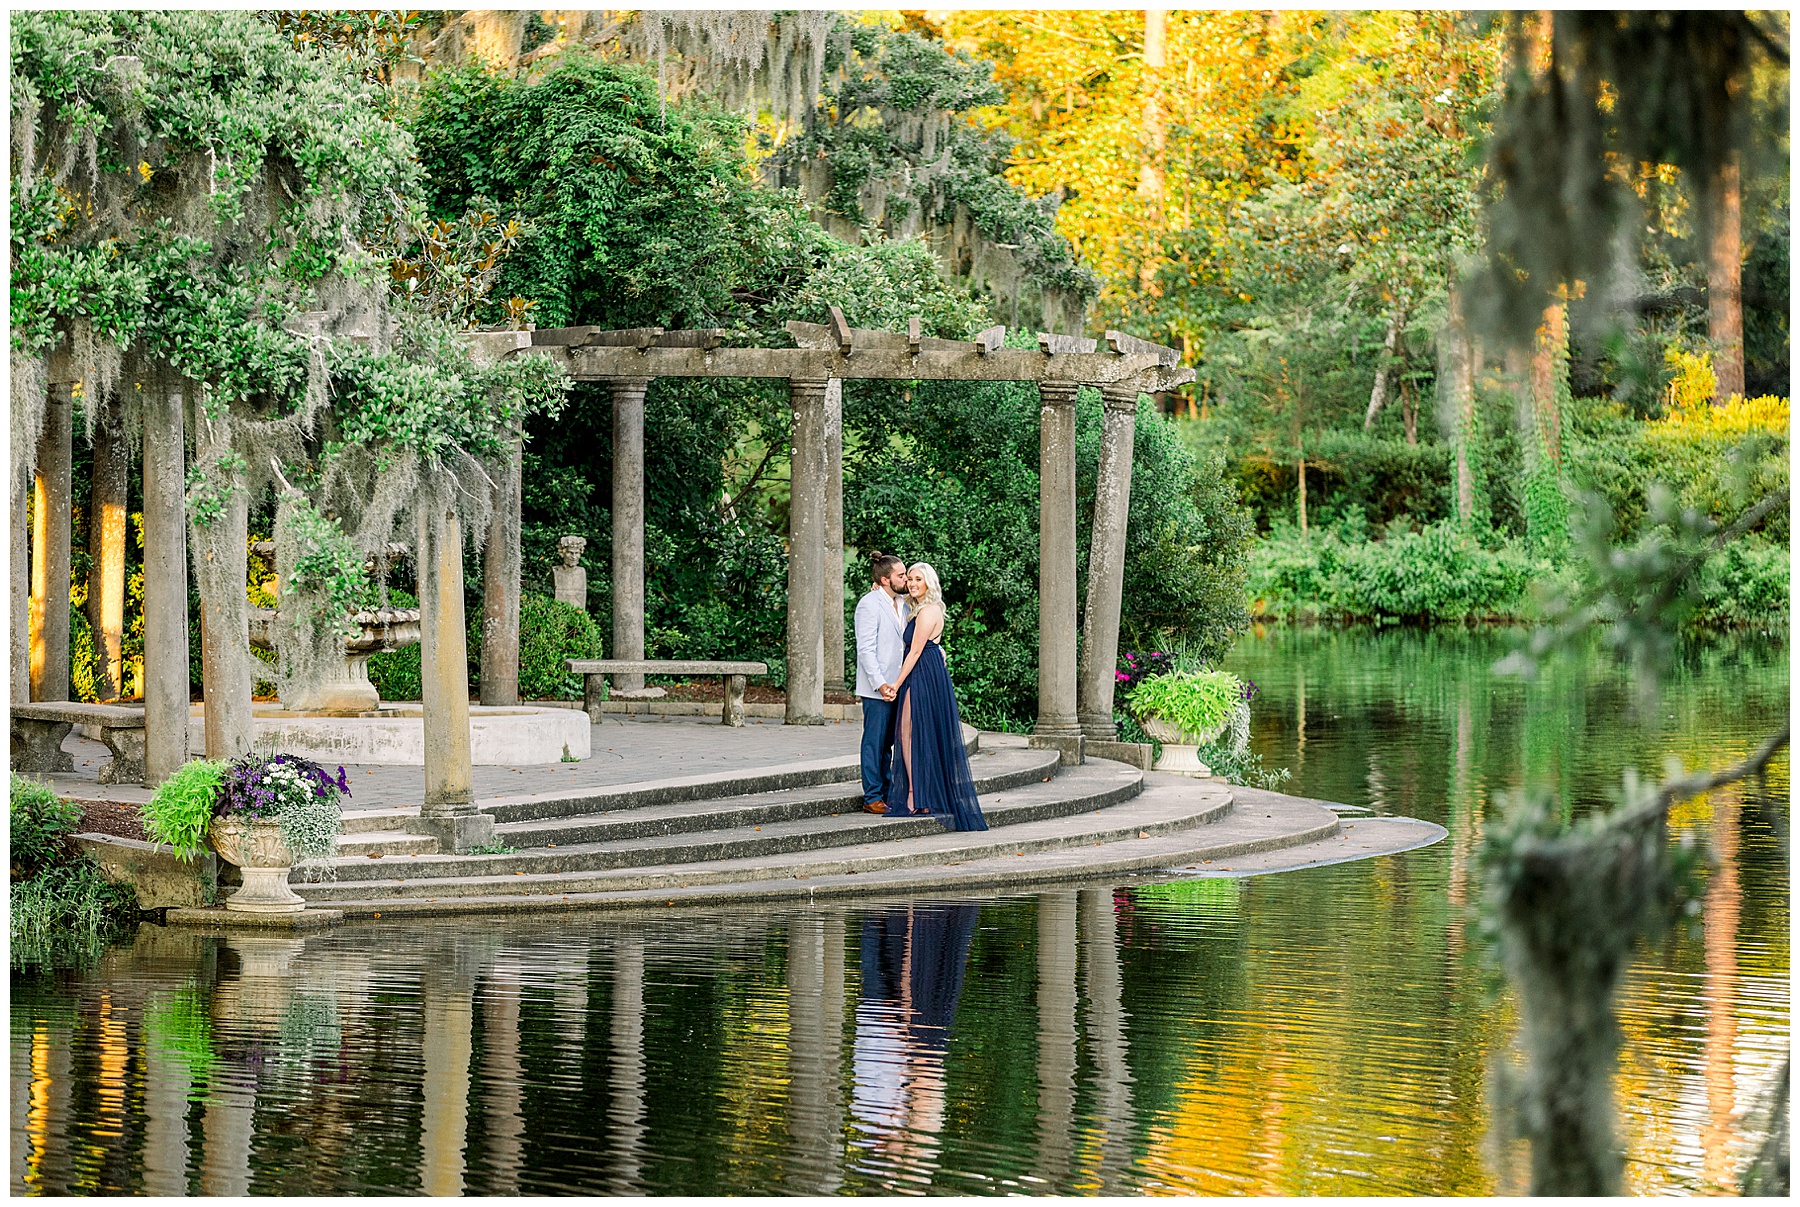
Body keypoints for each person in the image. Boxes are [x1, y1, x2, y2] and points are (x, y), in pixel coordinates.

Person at [885, 563, 988, 831]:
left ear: (929, 582)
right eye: (909, 579)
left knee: (910, 733)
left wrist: (896, 683)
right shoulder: (919, 609)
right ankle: (920, 793)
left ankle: (915, 795)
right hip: (925, 671)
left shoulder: (928, 611)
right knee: (915, 733)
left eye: (918, 579)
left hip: (921, 674)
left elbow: (916, 651)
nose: (912, 583)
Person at [853, 552, 910, 815]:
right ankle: (872, 795)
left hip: (901, 684)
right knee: (874, 743)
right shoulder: (869, 604)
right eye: (901, 575)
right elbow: (866, 650)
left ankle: (888, 792)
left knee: (891, 742)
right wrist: (880, 684)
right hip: (878, 689)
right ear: (885, 580)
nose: (906, 578)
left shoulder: (905, 603)